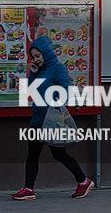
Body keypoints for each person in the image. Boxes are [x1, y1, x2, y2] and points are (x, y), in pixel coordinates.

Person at [11, 36, 94, 200]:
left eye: (38, 56)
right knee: (33, 154)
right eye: (33, 56)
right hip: (38, 119)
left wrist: (52, 101)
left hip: (52, 120)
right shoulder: (40, 70)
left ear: (46, 53)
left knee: (59, 154)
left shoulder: (58, 68)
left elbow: (66, 91)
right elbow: (31, 90)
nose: (35, 59)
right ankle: (28, 189)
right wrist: (33, 73)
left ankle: (83, 181)